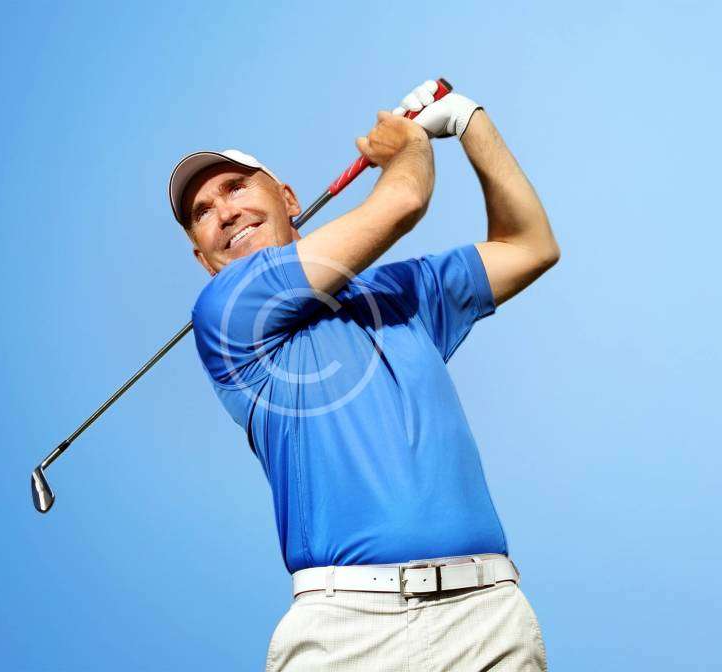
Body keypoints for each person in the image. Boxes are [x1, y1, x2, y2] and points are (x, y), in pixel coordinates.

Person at [166, 79, 559, 671]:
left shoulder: (400, 293)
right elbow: (403, 202)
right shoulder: (224, 309)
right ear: (203, 258)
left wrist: (468, 121)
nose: (223, 213)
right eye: (201, 213)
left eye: (236, 187)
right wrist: (410, 146)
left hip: (486, 616)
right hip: (346, 631)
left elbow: (530, 247)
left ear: (288, 198)